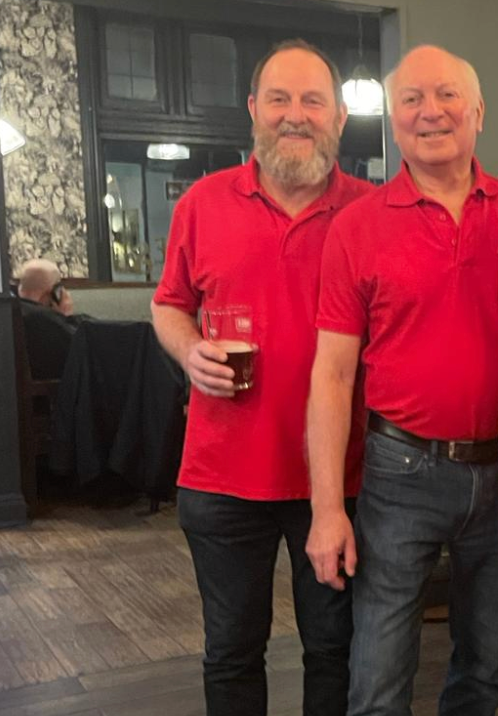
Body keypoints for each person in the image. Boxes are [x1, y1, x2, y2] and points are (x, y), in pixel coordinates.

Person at [151, 39, 371, 716]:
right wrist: (189, 350)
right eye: (279, 99)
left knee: (334, 649)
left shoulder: (371, 211)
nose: (294, 115)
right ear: (253, 110)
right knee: (231, 650)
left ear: (338, 116)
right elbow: (168, 303)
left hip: (337, 478)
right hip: (221, 475)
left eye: (312, 100)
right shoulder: (202, 202)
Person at [306, 44, 498, 716]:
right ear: (393, 122)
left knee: (484, 668)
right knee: (378, 676)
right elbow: (333, 374)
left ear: (479, 111)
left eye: (448, 95)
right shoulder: (357, 227)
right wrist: (325, 509)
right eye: (411, 100)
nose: (431, 112)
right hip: (399, 473)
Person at [15, 258, 78, 380]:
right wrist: (66, 318)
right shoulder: (46, 320)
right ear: (55, 291)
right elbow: (79, 355)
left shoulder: (9, 313)